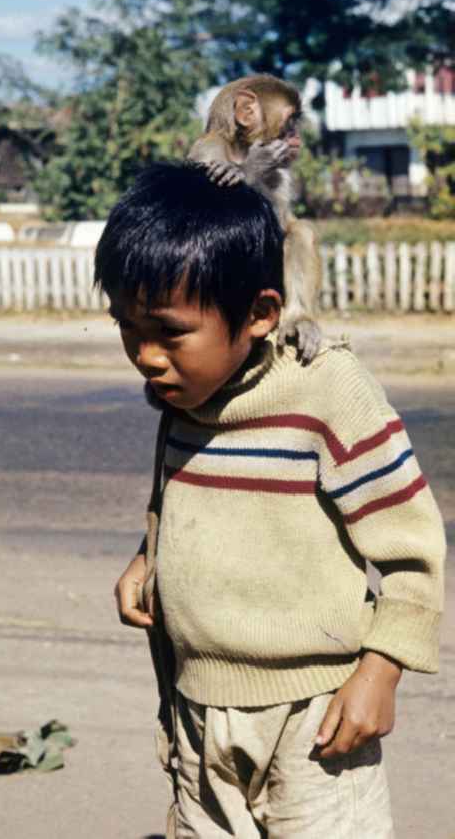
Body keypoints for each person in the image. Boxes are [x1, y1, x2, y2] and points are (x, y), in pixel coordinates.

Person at [94, 162, 445, 838]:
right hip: (196, 707)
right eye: (126, 328)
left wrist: (382, 669)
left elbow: (414, 547)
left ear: (260, 313)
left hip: (315, 718)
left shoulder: (325, 390)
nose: (146, 356)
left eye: (168, 332)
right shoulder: (184, 398)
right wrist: (149, 556)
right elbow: (183, 495)